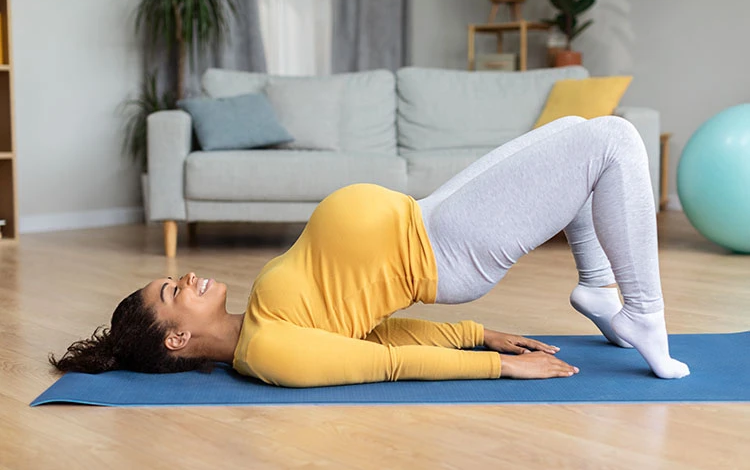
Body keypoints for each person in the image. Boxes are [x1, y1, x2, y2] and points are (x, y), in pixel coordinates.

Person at [50, 116, 690, 386]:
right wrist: (497, 368)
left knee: (576, 135)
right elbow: (383, 362)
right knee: (613, 141)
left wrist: (480, 333)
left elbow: (379, 329)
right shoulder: (268, 352)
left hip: (431, 217)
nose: (184, 278)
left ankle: (601, 292)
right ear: (177, 340)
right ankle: (641, 310)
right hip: (447, 248)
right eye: (172, 293)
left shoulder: (260, 317)